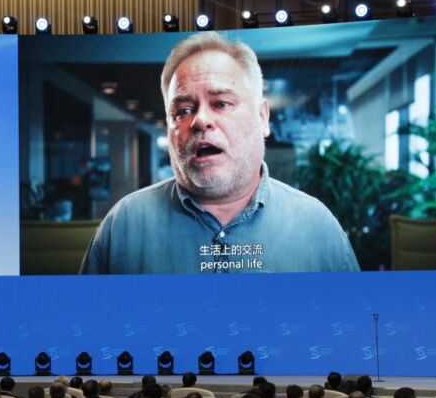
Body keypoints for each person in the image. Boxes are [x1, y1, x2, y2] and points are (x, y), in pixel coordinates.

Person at [79, 31, 359, 274]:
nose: (200, 120)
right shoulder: (122, 227)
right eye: (183, 111)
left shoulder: (318, 227)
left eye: (221, 103)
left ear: (262, 118)